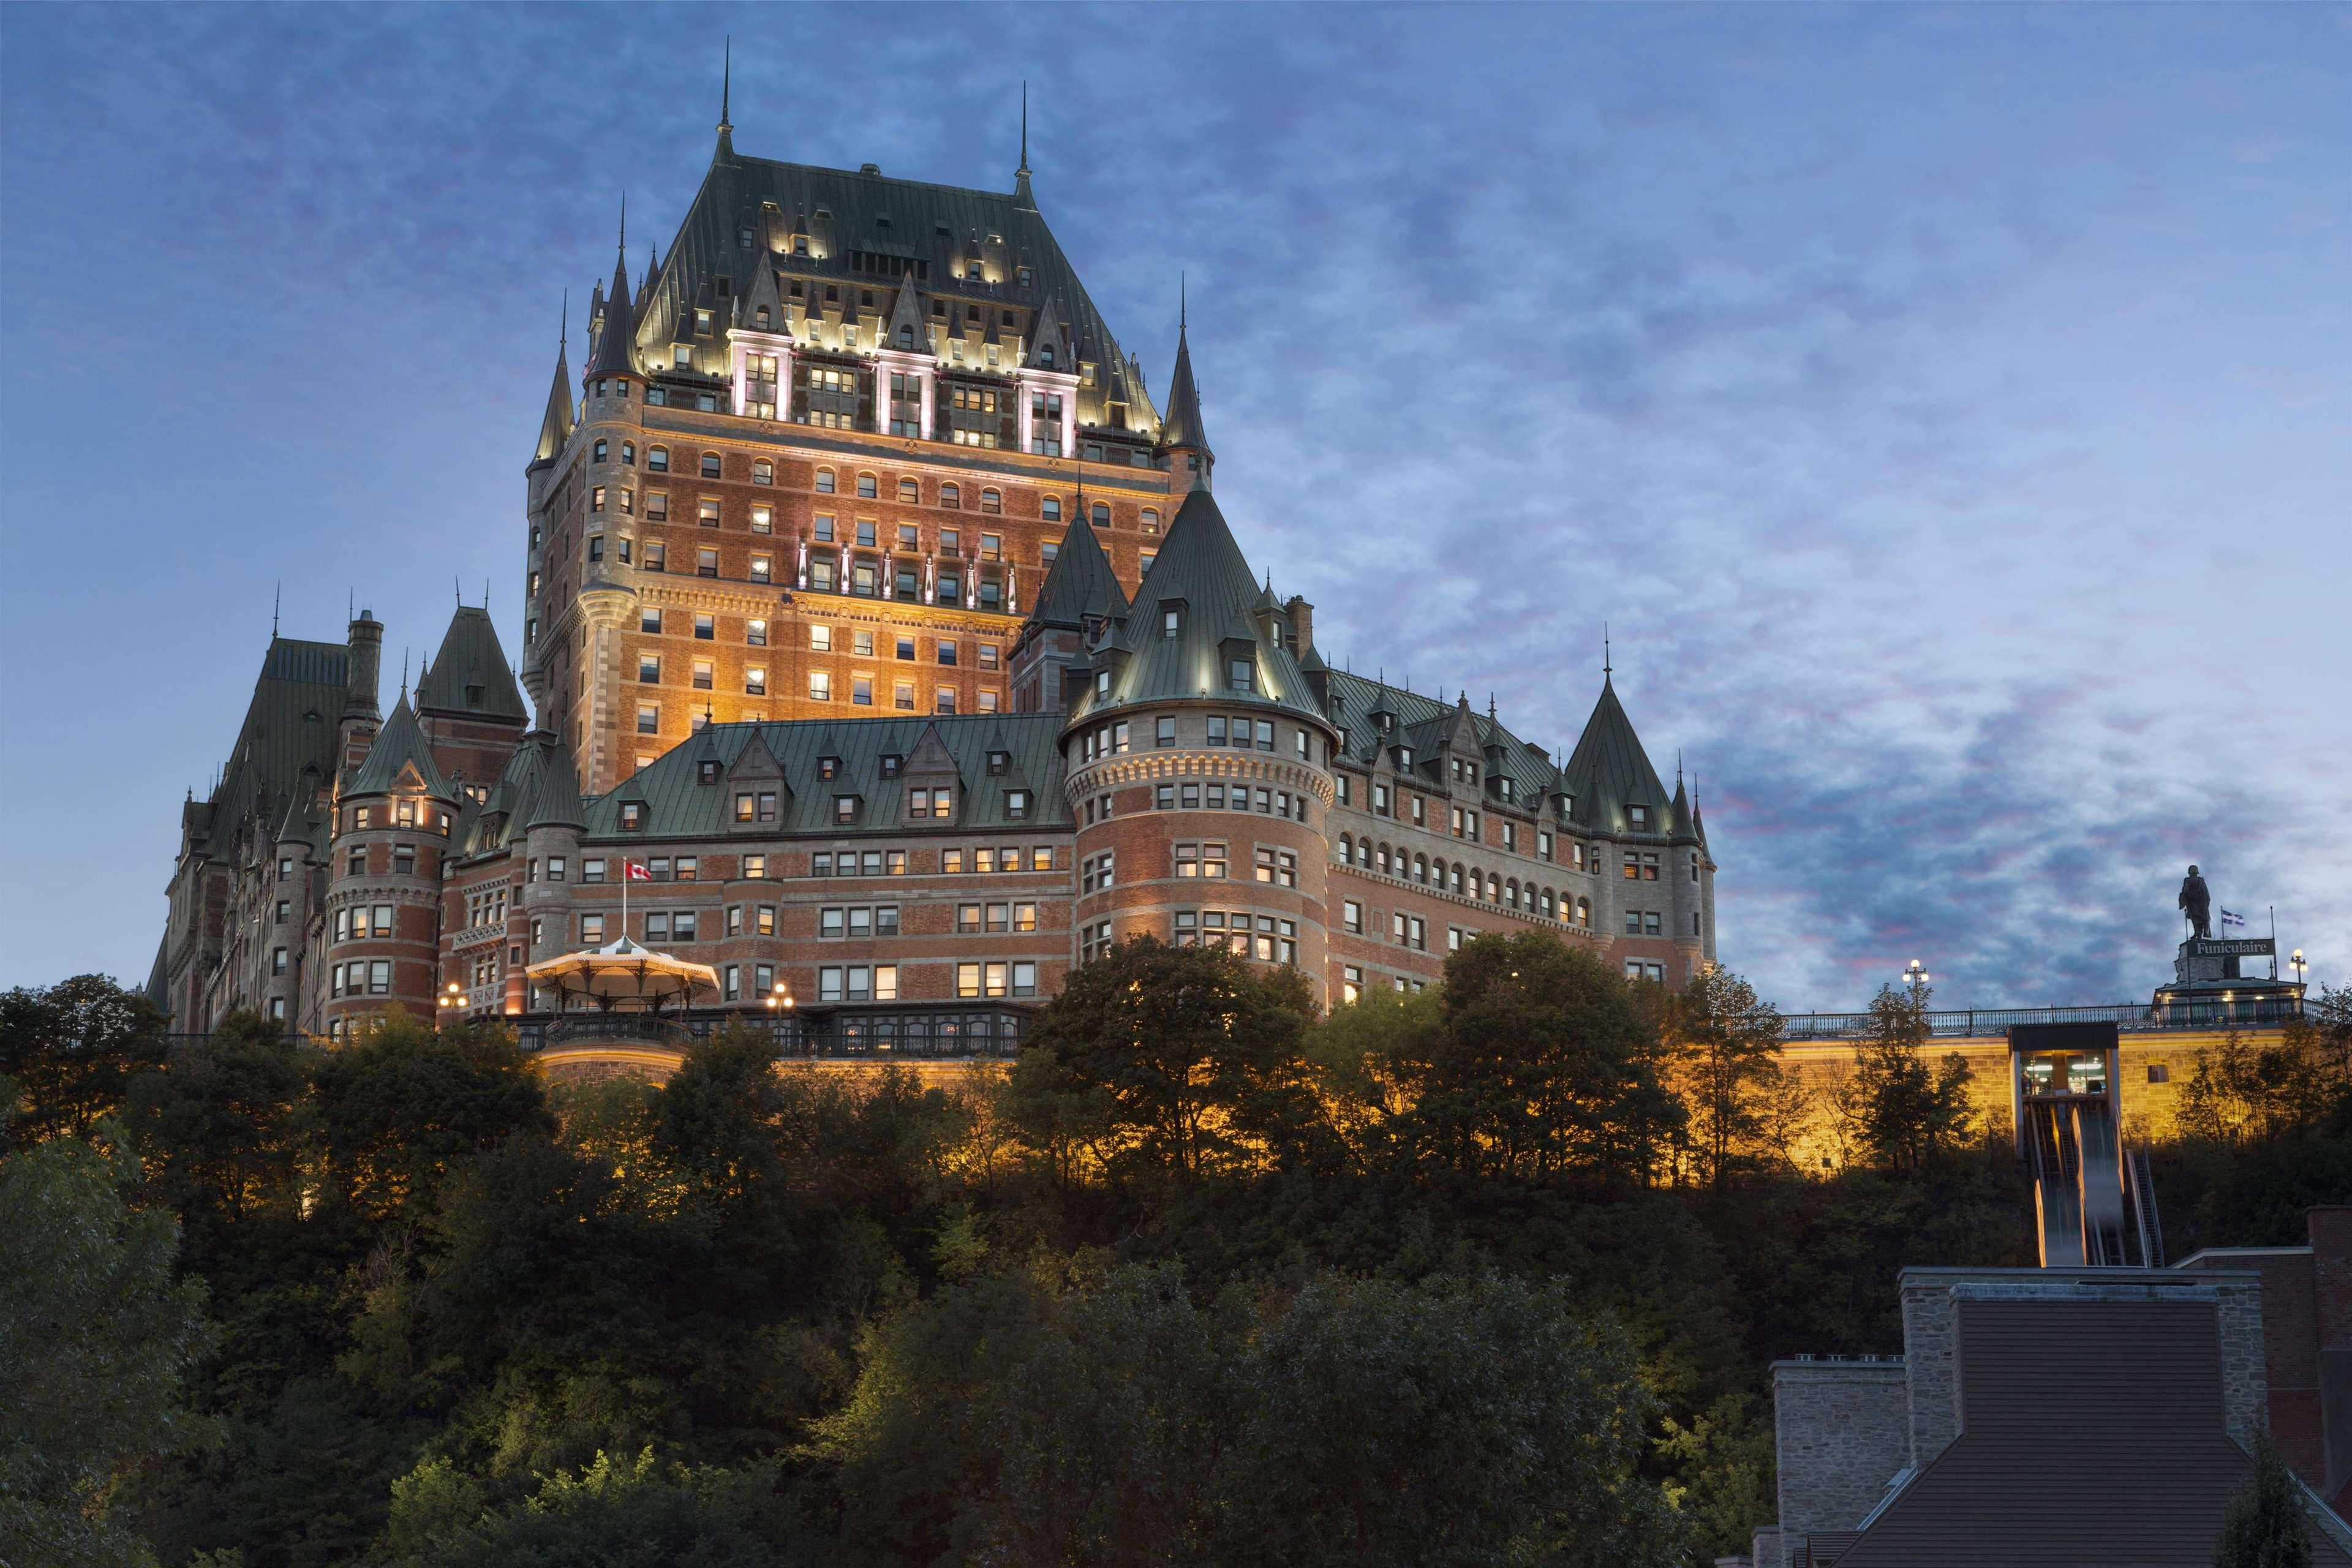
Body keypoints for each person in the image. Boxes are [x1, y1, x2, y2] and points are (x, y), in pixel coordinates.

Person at [2177, 864, 2212, 940]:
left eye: (2195, 869)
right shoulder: (2187, 880)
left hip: (2202, 902)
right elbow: (2185, 889)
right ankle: (2197, 933)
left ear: (2197, 871)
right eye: (2192, 869)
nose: (2194, 871)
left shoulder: (2201, 880)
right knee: (2194, 918)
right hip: (2192, 902)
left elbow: (2206, 892)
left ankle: (2200, 934)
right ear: (2189, 872)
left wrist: (2207, 901)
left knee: (2202, 918)